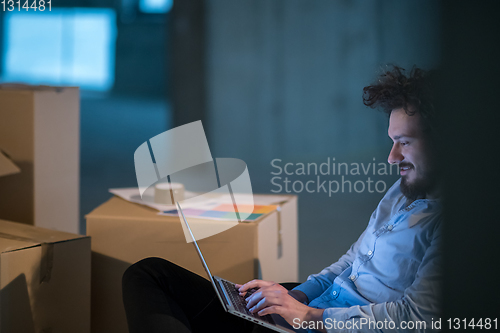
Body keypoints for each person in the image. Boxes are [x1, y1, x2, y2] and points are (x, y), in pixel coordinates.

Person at [122, 65, 442, 333]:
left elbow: (415, 317)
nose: (392, 157)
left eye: (404, 142)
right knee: (150, 275)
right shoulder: (402, 191)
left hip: (330, 324)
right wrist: (292, 297)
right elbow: (352, 263)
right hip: (313, 311)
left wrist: (307, 317)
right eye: (392, 142)